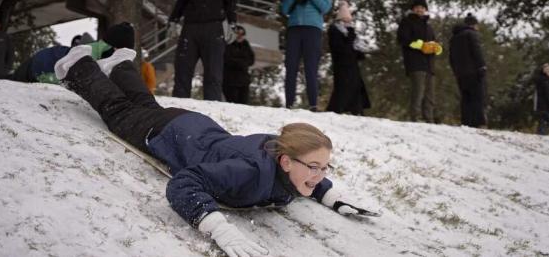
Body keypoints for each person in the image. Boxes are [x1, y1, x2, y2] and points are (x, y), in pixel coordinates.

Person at [53, 44, 372, 257]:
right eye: (315, 167)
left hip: (193, 127)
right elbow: (184, 184)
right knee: (119, 110)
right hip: (169, 134)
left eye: (324, 168)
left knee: (146, 105)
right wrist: (219, 228)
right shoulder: (249, 172)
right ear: (286, 161)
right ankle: (77, 65)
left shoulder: (285, 156)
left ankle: (120, 65)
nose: (320, 175)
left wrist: (333, 198)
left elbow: (309, 178)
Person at [169, 0, 237, 101]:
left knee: (214, 73)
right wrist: (173, 20)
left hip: (214, 27)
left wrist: (232, 23)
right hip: (191, 26)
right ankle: (179, 107)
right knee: (183, 70)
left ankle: (212, 109)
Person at [280, 0, 332, 111]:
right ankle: (288, 103)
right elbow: (284, 10)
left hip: (312, 29)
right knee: (291, 66)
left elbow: (325, 7)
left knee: (311, 66)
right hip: (294, 29)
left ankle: (313, 104)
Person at [396, 0, 442, 122]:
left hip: (429, 64)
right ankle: (415, 118)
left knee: (430, 94)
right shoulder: (407, 22)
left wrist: (436, 48)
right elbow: (402, 39)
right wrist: (419, 45)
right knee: (418, 92)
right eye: (417, 7)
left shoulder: (429, 26)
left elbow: (434, 41)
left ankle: (429, 119)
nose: (420, 10)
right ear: (413, 9)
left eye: (422, 7)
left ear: (425, 9)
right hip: (415, 62)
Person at [327, 1, 371, 115]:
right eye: (345, 20)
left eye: (349, 20)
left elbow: (352, 50)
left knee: (355, 87)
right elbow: (341, 49)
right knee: (343, 88)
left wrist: (359, 53)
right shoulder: (334, 31)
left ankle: (357, 110)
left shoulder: (350, 32)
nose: (348, 22)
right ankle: (336, 110)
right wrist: (351, 37)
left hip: (352, 66)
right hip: (341, 65)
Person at [449, 13, 487, 128]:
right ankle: (477, 122)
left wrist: (455, 70)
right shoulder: (472, 34)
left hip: (460, 73)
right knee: (477, 96)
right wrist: (482, 66)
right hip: (473, 72)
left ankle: (466, 122)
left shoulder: (454, 37)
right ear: (474, 25)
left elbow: (451, 56)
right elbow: (477, 51)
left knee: (465, 98)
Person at [222, 25, 255, 104]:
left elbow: (251, 60)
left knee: (243, 105)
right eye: (238, 33)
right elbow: (227, 60)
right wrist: (242, 62)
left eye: (242, 34)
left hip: (244, 81)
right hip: (230, 81)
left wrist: (241, 62)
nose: (240, 36)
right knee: (233, 104)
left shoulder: (246, 45)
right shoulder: (228, 45)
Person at [534, 63, 549, 135]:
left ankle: (541, 136)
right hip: (547, 107)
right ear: (545, 72)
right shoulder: (547, 82)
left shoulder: (540, 80)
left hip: (540, 106)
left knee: (542, 124)